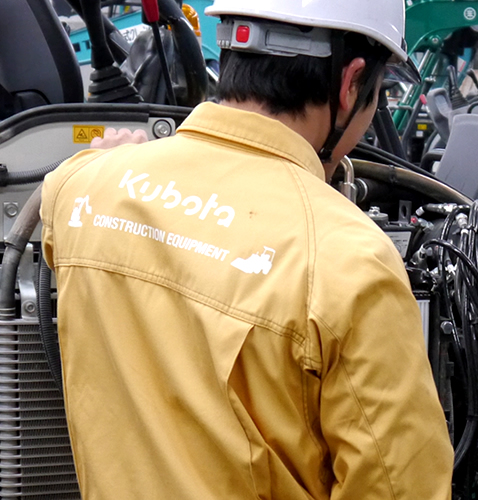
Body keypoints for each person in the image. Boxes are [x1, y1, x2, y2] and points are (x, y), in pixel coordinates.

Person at [39, 0, 453, 498]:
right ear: (351, 84)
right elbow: (399, 487)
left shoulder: (80, 188)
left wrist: (109, 167)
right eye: (378, 95)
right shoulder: (349, 261)